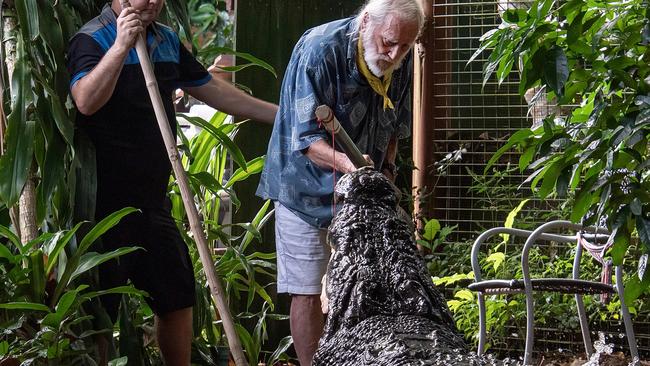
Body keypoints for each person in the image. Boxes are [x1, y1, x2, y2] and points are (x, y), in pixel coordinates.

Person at [66, 0, 277, 364]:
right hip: (101, 207)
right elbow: (85, 100)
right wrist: (120, 47)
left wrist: (280, 115)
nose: (151, 2)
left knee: (177, 296)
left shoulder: (165, 40)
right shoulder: (91, 38)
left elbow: (213, 89)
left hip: (151, 201)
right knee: (99, 313)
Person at [256, 0, 424, 364]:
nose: (394, 54)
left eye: (404, 47)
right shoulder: (319, 50)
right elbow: (308, 139)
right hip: (301, 186)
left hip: (361, 191)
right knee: (306, 290)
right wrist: (351, 166)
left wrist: (388, 172)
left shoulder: (403, 56)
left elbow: (396, 127)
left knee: (364, 285)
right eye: (388, 42)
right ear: (366, 21)